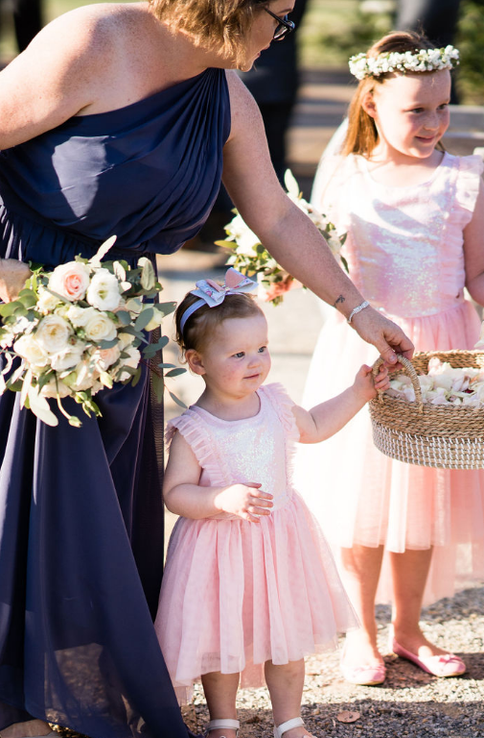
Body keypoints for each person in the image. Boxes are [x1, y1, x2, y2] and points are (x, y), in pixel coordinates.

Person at [0, 1, 413, 736]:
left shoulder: (223, 91)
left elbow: (276, 215)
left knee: (88, 517)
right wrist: (11, 279)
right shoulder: (92, 41)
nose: (282, 34)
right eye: (279, 17)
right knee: (22, 505)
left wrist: (358, 310)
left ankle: (64, 687)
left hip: (116, 328)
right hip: (23, 309)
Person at [295, 30, 484, 687]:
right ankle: (361, 633)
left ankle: (409, 629)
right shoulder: (347, 175)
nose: (433, 123)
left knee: (424, 500)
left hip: (443, 359)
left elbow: (477, 274)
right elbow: (311, 255)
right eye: (416, 110)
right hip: (367, 353)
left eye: (443, 107)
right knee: (363, 501)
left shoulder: (465, 176)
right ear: (372, 102)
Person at [154, 269, 390, 738]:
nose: (255, 361)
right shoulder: (195, 426)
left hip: (279, 541)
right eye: (238, 354)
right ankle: (224, 720)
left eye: (261, 348)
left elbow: (318, 426)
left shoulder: (277, 403)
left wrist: (359, 392)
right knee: (220, 640)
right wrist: (220, 497)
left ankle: (290, 720)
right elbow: (174, 494)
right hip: (217, 552)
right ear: (196, 362)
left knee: (288, 640)